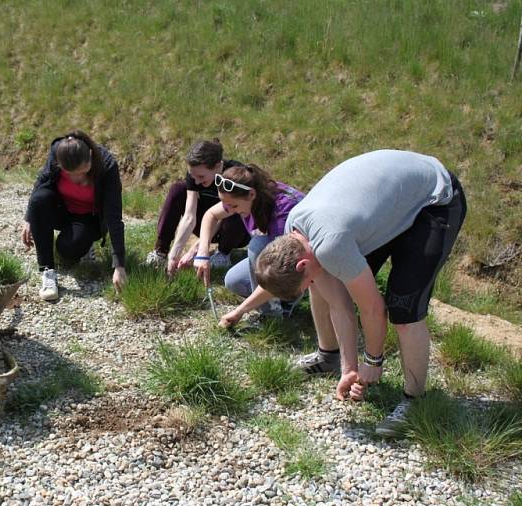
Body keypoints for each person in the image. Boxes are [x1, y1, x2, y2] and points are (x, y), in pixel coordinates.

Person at [254, 150, 466, 437]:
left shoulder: (330, 244)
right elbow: (340, 304)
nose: (306, 289)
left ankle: (415, 402)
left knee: (403, 308)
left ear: (301, 263)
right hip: (391, 199)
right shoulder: (295, 226)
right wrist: (349, 369)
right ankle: (329, 357)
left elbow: (372, 309)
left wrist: (373, 361)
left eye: (301, 286)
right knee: (324, 284)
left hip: (434, 197)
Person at [193, 164, 305, 327]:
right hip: (280, 262)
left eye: (234, 206)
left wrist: (240, 311)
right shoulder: (242, 197)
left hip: (300, 266)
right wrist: (202, 254)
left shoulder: (282, 213)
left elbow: (280, 268)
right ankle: (280, 299)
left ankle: (274, 313)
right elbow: (211, 215)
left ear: (252, 194)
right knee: (234, 281)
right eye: (226, 205)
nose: (229, 210)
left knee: (257, 245)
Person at [22, 130, 126, 301]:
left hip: (89, 218)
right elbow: (41, 182)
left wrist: (119, 265)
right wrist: (29, 219)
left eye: (82, 171)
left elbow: (113, 217)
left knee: (67, 250)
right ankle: (47, 271)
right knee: (38, 200)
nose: (77, 178)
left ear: (90, 156)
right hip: (62, 209)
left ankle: (85, 245)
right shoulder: (58, 151)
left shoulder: (107, 167)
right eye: (71, 173)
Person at [145, 139, 249, 275]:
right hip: (206, 224)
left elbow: (219, 216)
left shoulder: (235, 174)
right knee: (178, 189)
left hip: (234, 230)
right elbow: (189, 216)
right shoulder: (195, 174)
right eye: (193, 176)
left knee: (234, 208)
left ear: (218, 166)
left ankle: (223, 254)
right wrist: (174, 254)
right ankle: (161, 252)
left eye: (201, 176)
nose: (196, 181)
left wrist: (196, 250)